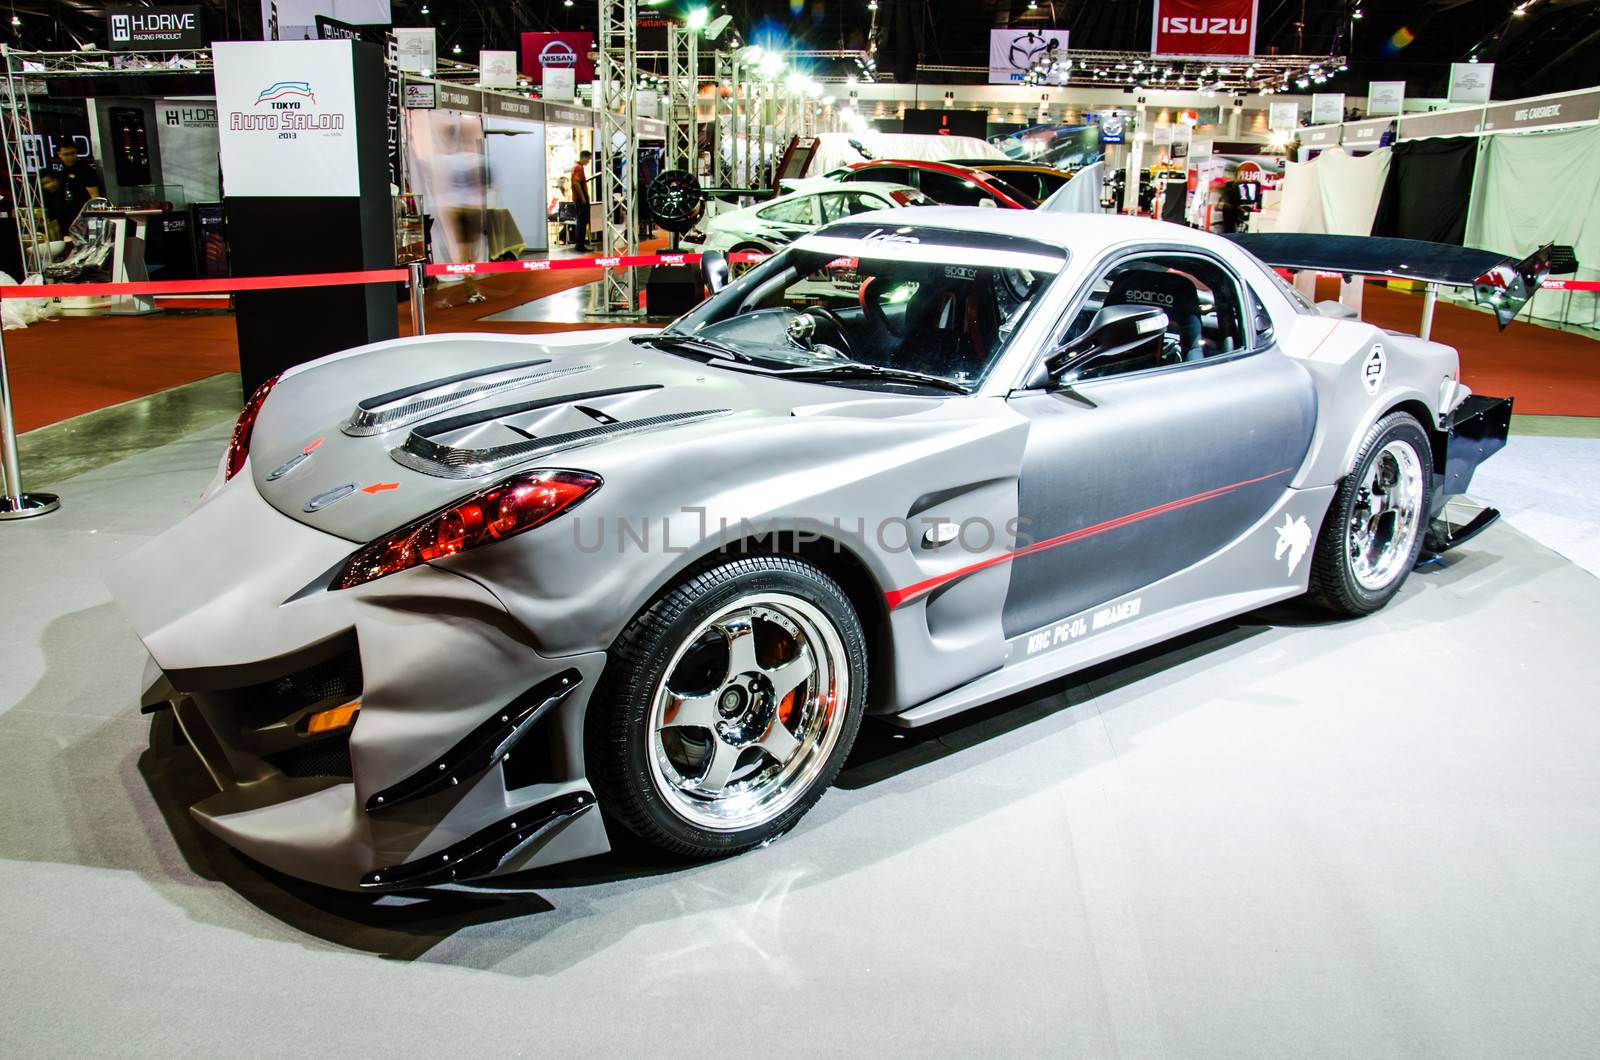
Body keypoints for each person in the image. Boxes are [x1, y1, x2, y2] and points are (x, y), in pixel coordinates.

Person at [570, 149, 592, 252]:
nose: (588, 161)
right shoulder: (579, 168)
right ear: (584, 157)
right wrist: (583, 197)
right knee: (582, 222)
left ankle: (579, 244)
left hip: (578, 199)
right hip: (580, 199)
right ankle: (580, 244)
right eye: (588, 159)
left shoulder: (577, 167)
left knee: (581, 221)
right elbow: (576, 183)